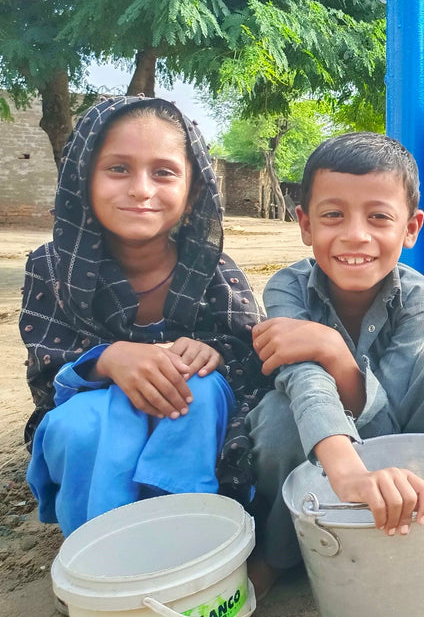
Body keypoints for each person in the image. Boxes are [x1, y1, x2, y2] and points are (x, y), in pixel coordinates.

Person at [246, 132, 424, 593]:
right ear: (305, 224)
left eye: (379, 217)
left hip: (400, 453)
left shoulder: (416, 296)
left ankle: (420, 524)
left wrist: (332, 350)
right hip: (320, 454)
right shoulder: (285, 290)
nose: (355, 234)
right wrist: (350, 471)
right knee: (277, 419)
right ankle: (280, 553)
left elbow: (388, 420)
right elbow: (303, 384)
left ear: (411, 228)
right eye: (333, 215)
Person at [21, 96, 268, 536]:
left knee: (198, 389)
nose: (141, 189)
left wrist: (209, 352)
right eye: (118, 168)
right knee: (81, 424)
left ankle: (186, 538)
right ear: (83, 178)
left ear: (192, 190)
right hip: (90, 416)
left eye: (164, 172)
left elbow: (250, 357)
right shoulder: (52, 268)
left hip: (189, 413)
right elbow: (46, 371)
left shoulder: (212, 269)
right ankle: (97, 550)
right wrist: (108, 359)